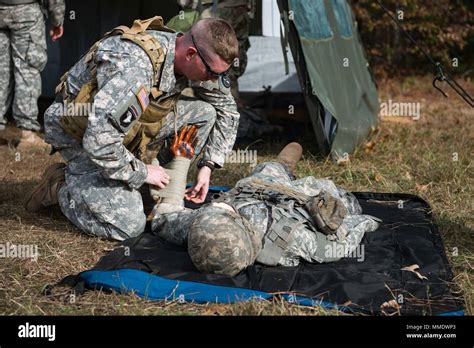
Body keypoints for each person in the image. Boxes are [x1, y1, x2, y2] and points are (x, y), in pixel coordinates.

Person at [25, 16, 240, 241]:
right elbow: (99, 141)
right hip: (80, 134)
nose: (215, 79)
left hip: (119, 129)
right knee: (129, 226)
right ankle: (60, 187)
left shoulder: (199, 62)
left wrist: (207, 166)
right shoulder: (134, 66)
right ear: (190, 54)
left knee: (204, 114)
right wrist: (143, 172)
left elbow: (228, 111)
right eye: (213, 74)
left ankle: (164, 191)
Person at [150, 133, 380, 277]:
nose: (217, 207)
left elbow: (163, 217)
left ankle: (282, 165)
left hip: (254, 189)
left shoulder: (199, 230)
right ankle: (282, 168)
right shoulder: (296, 242)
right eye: (224, 213)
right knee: (342, 200)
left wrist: (180, 159)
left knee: (268, 169)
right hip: (297, 202)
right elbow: (344, 239)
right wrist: (364, 221)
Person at [0, 0, 65, 147]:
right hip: (26, 12)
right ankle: (27, 134)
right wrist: (57, 20)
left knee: (1, 71)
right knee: (27, 71)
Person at [168, 0, 253, 101]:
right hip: (203, 9)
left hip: (222, 7)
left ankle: (224, 101)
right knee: (209, 62)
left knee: (218, 64)